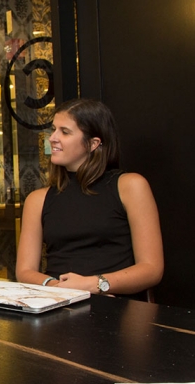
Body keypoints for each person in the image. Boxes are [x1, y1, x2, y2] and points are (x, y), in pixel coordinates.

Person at [16, 98, 163, 298]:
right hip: (60, 306)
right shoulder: (38, 199)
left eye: (65, 132)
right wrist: (57, 286)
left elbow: (152, 269)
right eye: (53, 129)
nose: (52, 138)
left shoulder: (130, 186)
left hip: (118, 310)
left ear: (93, 143)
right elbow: (24, 271)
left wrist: (95, 284)